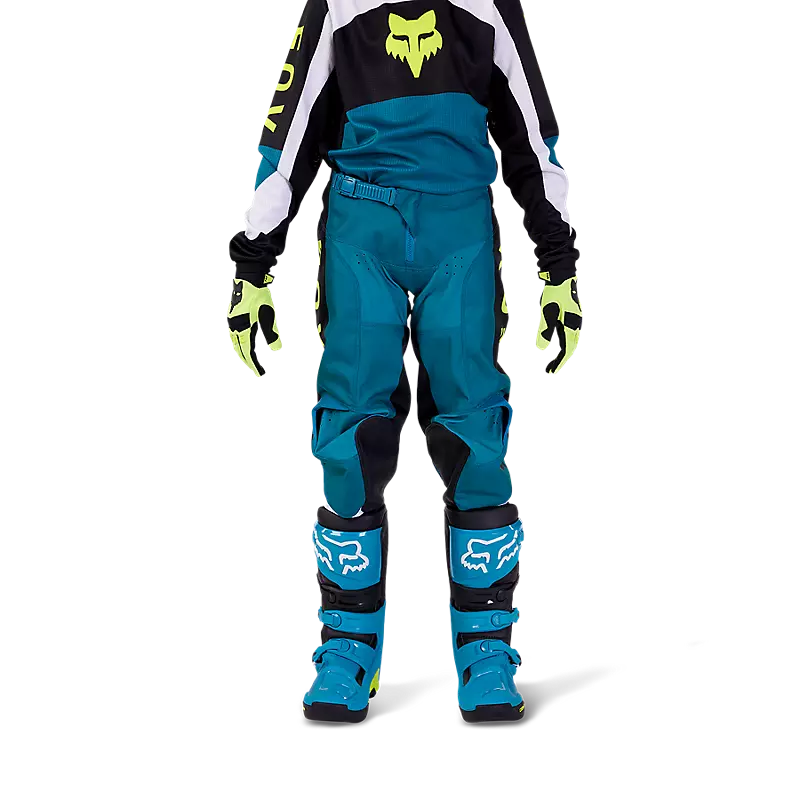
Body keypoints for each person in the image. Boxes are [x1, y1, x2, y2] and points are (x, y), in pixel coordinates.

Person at [226, 0, 583, 724]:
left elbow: (532, 133)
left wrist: (559, 263)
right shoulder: (338, 5)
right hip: (362, 229)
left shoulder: (489, 5)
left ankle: (486, 653)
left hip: (460, 230)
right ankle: (347, 650)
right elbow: (289, 132)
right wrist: (255, 260)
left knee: (474, 429)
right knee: (350, 432)